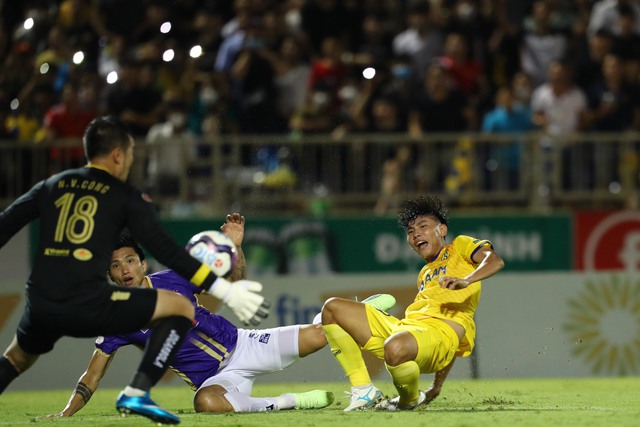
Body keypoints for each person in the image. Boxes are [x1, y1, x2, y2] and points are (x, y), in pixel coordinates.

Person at [0, 117, 270, 425]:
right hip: (90, 299)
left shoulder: (50, 186)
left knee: (16, 358)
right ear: (118, 154)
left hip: (41, 299)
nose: (130, 162)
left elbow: (5, 225)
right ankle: (137, 391)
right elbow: (166, 250)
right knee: (179, 306)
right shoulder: (123, 195)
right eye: (129, 154)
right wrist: (224, 290)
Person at [41, 213, 396, 416]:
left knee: (323, 333)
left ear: (142, 263)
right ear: (109, 274)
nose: (124, 269)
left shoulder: (174, 277)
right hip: (216, 381)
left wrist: (237, 247)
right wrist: (66, 413)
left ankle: (358, 312)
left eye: (130, 260)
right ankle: (288, 402)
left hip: (243, 345)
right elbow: (92, 375)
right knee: (205, 404)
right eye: (115, 265)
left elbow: (234, 279)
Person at [321, 195, 505, 411]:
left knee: (395, 347)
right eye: (410, 231)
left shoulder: (459, 247)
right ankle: (364, 390)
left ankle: (408, 400)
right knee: (332, 308)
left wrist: (467, 280)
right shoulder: (424, 274)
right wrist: (436, 387)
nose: (415, 233)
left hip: (440, 333)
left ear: (442, 230)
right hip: (408, 329)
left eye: (423, 226)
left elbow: (494, 260)